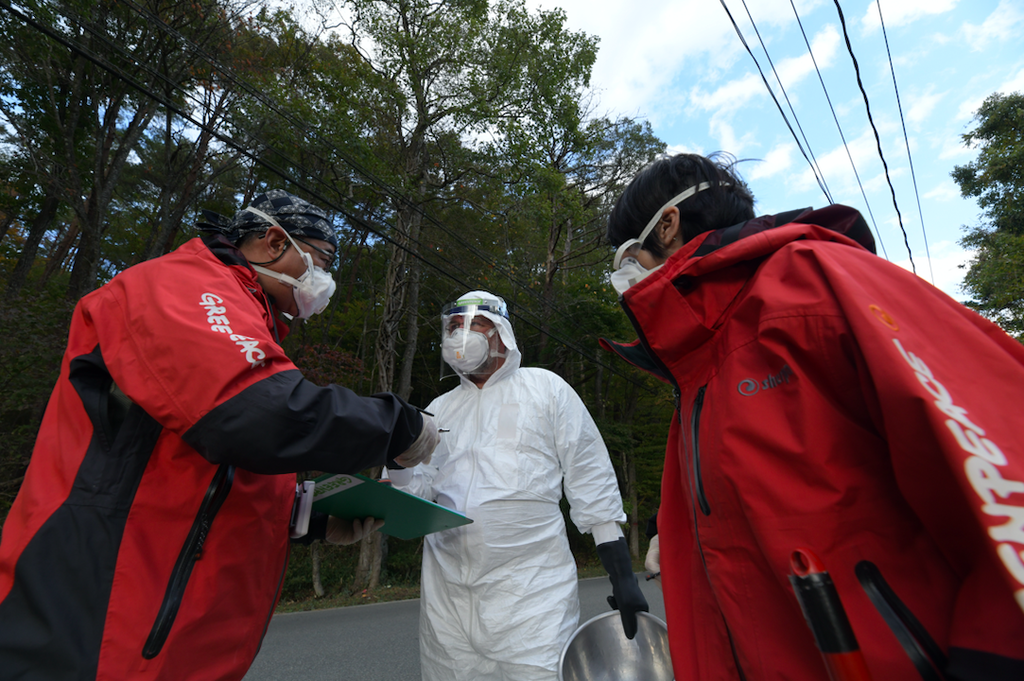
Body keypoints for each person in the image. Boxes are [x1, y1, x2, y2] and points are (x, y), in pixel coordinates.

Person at [600, 152, 1024, 681]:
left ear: (667, 224)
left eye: (624, 256)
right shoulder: (698, 371)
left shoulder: (811, 281)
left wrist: (996, 660)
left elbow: (1003, 460)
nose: (624, 277)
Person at [0, 189, 439, 681]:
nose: (325, 281)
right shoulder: (181, 286)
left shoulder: (247, 321)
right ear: (274, 242)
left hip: (168, 629)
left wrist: (302, 516)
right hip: (99, 612)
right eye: (321, 261)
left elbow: (194, 466)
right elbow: (253, 414)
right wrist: (399, 423)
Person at [385, 290, 648, 681]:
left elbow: (589, 474)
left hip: (531, 595)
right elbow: (413, 496)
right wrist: (397, 460)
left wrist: (622, 573)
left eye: (475, 324)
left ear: (502, 333)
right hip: (448, 597)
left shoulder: (545, 389)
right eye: (454, 326)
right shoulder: (438, 410)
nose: (461, 334)